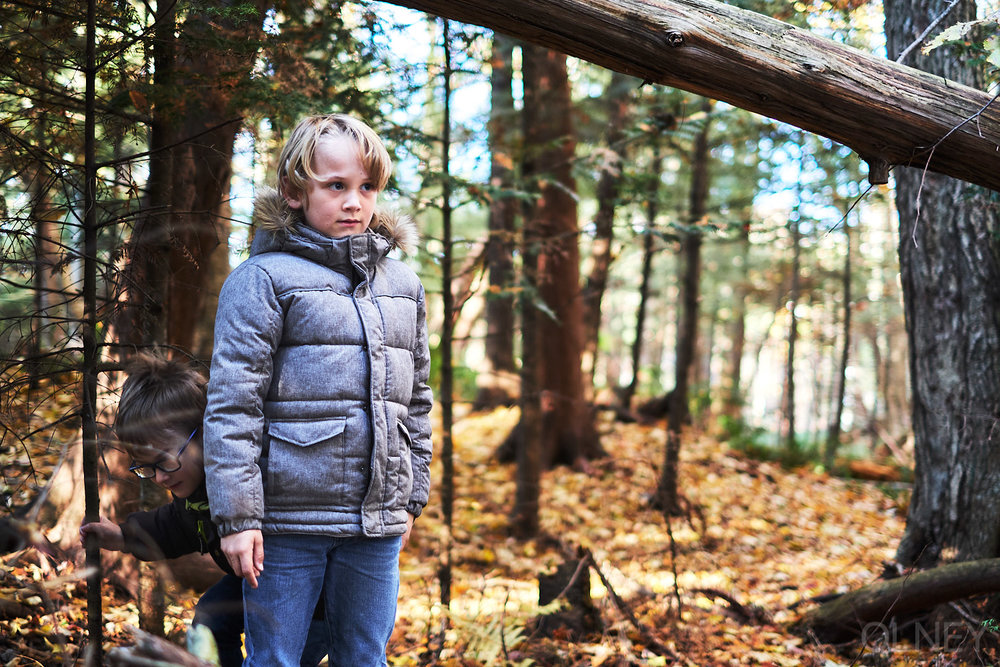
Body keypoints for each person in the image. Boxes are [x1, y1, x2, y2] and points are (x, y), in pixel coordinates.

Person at [203, 112, 434, 667]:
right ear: (293, 192)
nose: (354, 202)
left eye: (366, 187)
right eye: (336, 187)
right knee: (277, 658)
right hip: (286, 524)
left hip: (375, 523)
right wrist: (239, 520)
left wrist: (409, 500)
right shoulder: (263, 280)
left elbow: (417, 400)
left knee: (364, 656)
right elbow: (233, 405)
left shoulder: (403, 285)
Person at [80, 353, 329, 667]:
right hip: (255, 583)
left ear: (204, 432)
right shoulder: (194, 489)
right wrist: (121, 536)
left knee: (275, 655)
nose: (159, 477)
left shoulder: (247, 471)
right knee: (210, 621)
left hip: (312, 598)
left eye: (165, 460)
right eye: (147, 468)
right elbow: (173, 525)